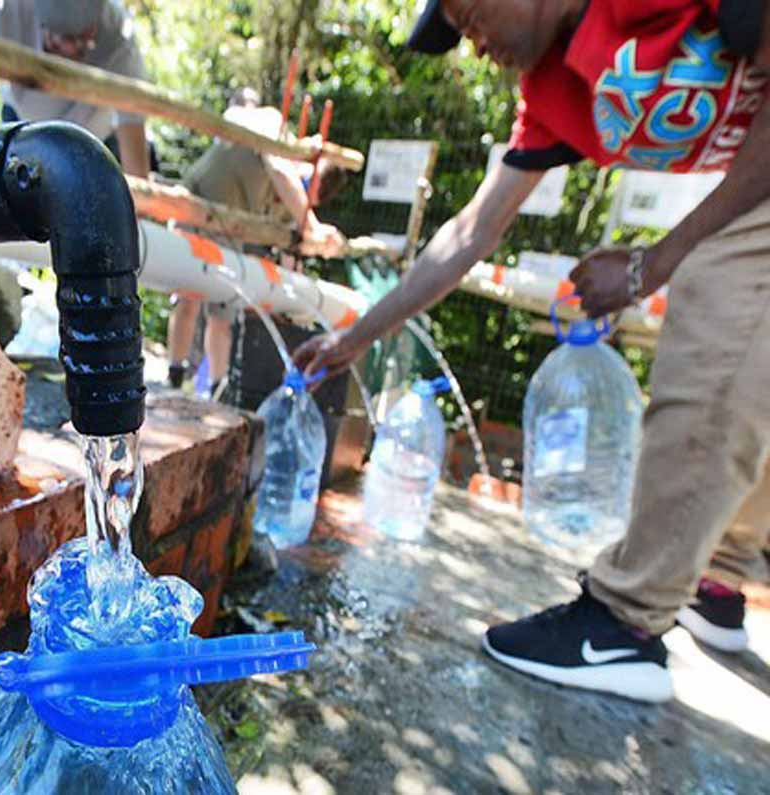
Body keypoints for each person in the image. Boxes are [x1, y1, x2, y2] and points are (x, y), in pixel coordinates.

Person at [294, 0, 770, 703]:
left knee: (719, 302)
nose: (469, 40)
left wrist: (655, 262)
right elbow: (468, 234)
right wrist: (355, 338)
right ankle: (717, 577)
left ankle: (622, 625)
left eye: (465, 11)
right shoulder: (553, 96)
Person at [167, 87, 348, 393]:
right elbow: (282, 173)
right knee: (197, 296)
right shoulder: (271, 125)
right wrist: (312, 226)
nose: (300, 197)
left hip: (224, 218)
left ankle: (214, 388)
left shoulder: (291, 196)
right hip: (206, 203)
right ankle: (181, 376)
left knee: (216, 305)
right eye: (305, 188)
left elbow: (293, 242)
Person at [0, 0, 151, 178]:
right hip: (23, 125)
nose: (70, 48)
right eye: (59, 40)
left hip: (98, 142)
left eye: (82, 39)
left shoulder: (121, 36)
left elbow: (136, 168)